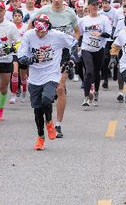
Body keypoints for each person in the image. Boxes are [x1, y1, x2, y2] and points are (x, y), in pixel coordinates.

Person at [18, 14, 77, 150]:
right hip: (34, 77)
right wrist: (31, 59)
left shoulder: (57, 35)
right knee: (38, 110)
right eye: (37, 30)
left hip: (51, 75)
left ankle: (49, 121)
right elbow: (21, 57)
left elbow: (74, 43)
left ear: (48, 29)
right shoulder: (28, 35)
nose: (39, 34)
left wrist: (72, 60)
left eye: (42, 31)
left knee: (46, 100)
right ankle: (40, 137)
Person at [29, 0, 79, 138]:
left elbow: (77, 32)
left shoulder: (70, 13)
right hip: (47, 54)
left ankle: (58, 125)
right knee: (47, 93)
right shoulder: (43, 12)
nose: (57, 0)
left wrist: (73, 46)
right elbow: (30, 28)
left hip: (64, 53)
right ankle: (47, 113)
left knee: (60, 87)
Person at [78, 0, 112, 107]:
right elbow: (80, 34)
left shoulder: (104, 19)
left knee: (96, 72)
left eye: (97, 5)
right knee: (88, 71)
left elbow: (109, 34)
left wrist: (100, 34)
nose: (95, 7)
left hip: (99, 49)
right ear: (88, 6)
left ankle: (96, 91)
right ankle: (86, 97)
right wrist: (78, 47)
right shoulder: (83, 20)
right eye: (92, 5)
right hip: (86, 48)